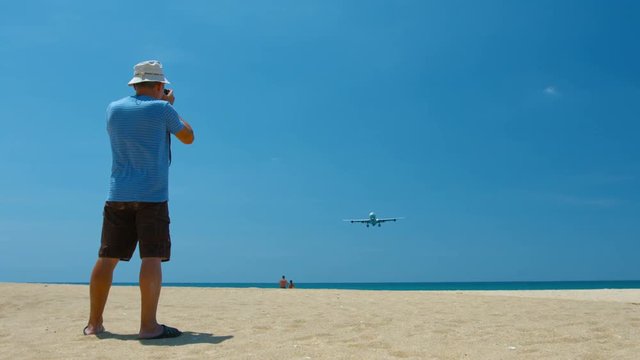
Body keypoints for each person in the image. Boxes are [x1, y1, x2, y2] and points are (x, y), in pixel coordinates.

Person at [84, 60, 195, 339]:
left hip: (118, 193)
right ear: (160, 86)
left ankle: (94, 324)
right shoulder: (162, 109)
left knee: (106, 257)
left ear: (135, 84)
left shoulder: (113, 108)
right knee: (152, 258)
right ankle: (148, 326)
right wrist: (170, 105)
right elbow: (188, 137)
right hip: (152, 195)